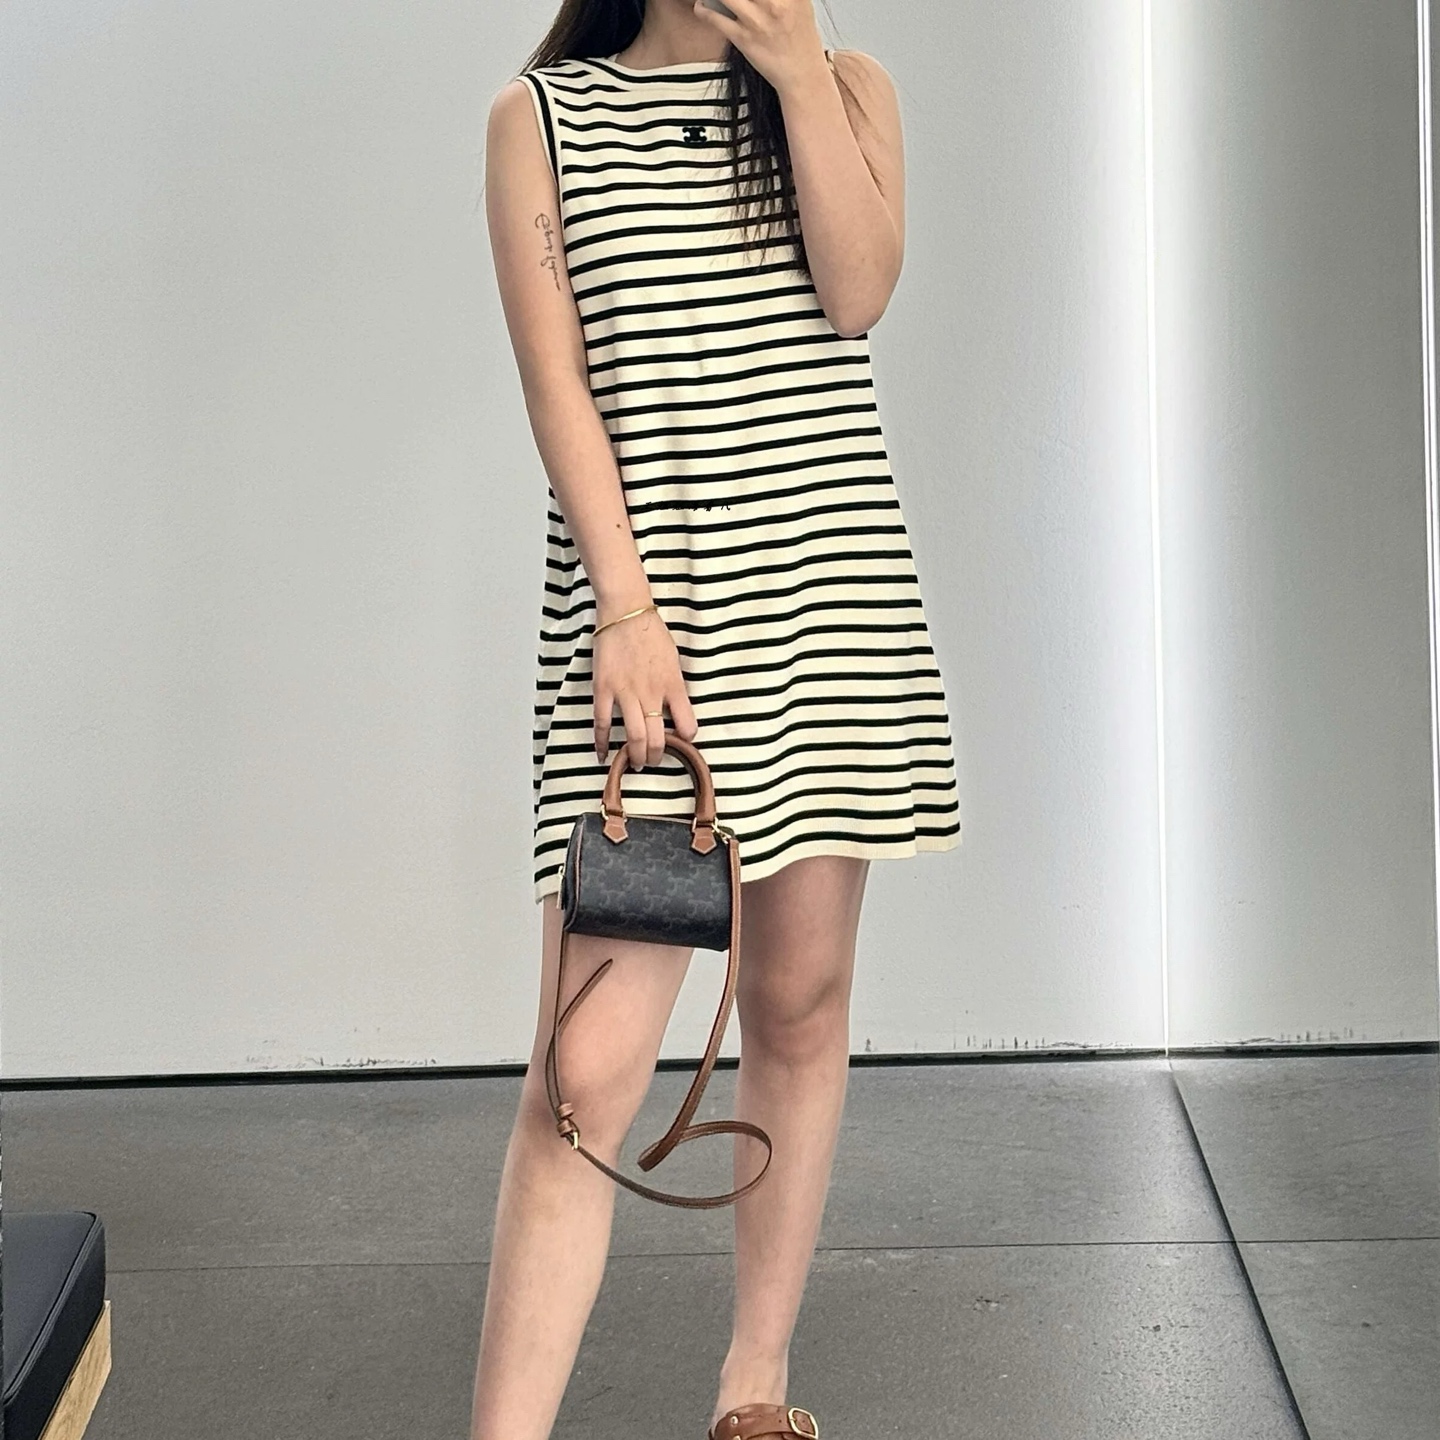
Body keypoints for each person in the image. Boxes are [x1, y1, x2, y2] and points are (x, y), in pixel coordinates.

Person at [475, 3, 961, 1437]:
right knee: (582, 1075)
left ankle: (755, 1389)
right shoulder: (542, 121)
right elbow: (558, 386)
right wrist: (625, 611)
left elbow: (858, 293)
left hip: (825, 612)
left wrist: (800, 72)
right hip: (654, 643)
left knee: (797, 1005)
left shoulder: (848, 90)